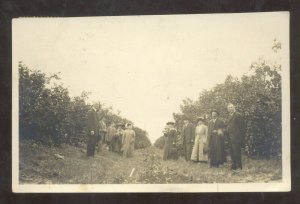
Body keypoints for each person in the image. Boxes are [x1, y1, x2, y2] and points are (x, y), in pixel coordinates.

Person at [226, 103, 246, 171]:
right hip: (230, 138)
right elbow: (228, 126)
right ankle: (233, 166)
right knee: (232, 153)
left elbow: (242, 128)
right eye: (228, 108)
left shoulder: (238, 115)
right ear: (227, 109)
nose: (230, 109)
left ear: (234, 107)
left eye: (231, 107)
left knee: (237, 152)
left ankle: (239, 167)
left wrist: (240, 138)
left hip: (236, 138)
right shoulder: (229, 116)